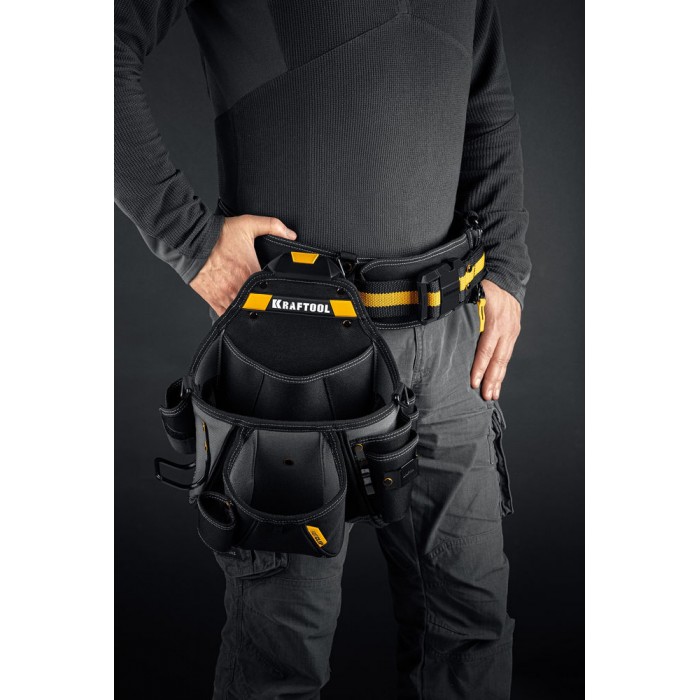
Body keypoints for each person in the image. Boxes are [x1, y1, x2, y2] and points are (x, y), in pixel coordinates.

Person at [115, 1, 531, 697]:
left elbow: (484, 93)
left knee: (469, 633)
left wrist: (507, 265)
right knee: (279, 656)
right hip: (290, 355)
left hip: (449, 341)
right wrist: (189, 242)